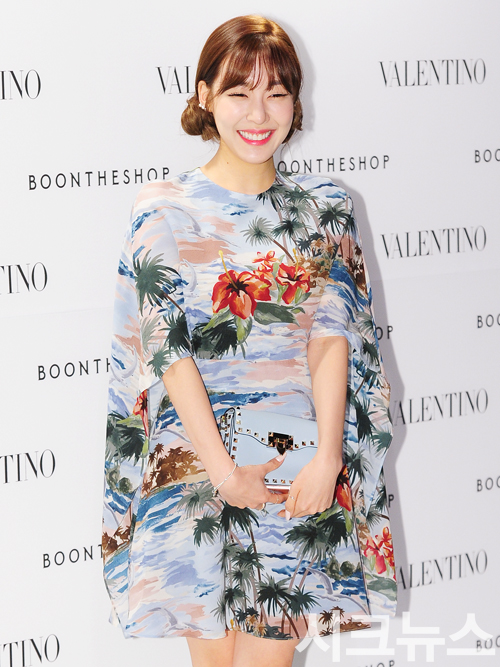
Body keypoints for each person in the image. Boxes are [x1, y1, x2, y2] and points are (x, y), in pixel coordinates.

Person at [102, 14, 396, 667]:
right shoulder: (165, 207)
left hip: (293, 458)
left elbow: (332, 337)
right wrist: (224, 472)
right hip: (194, 459)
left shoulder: (325, 208)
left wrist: (326, 459)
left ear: (296, 101)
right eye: (239, 92)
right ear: (205, 95)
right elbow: (168, 350)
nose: (259, 113)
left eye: (276, 93)